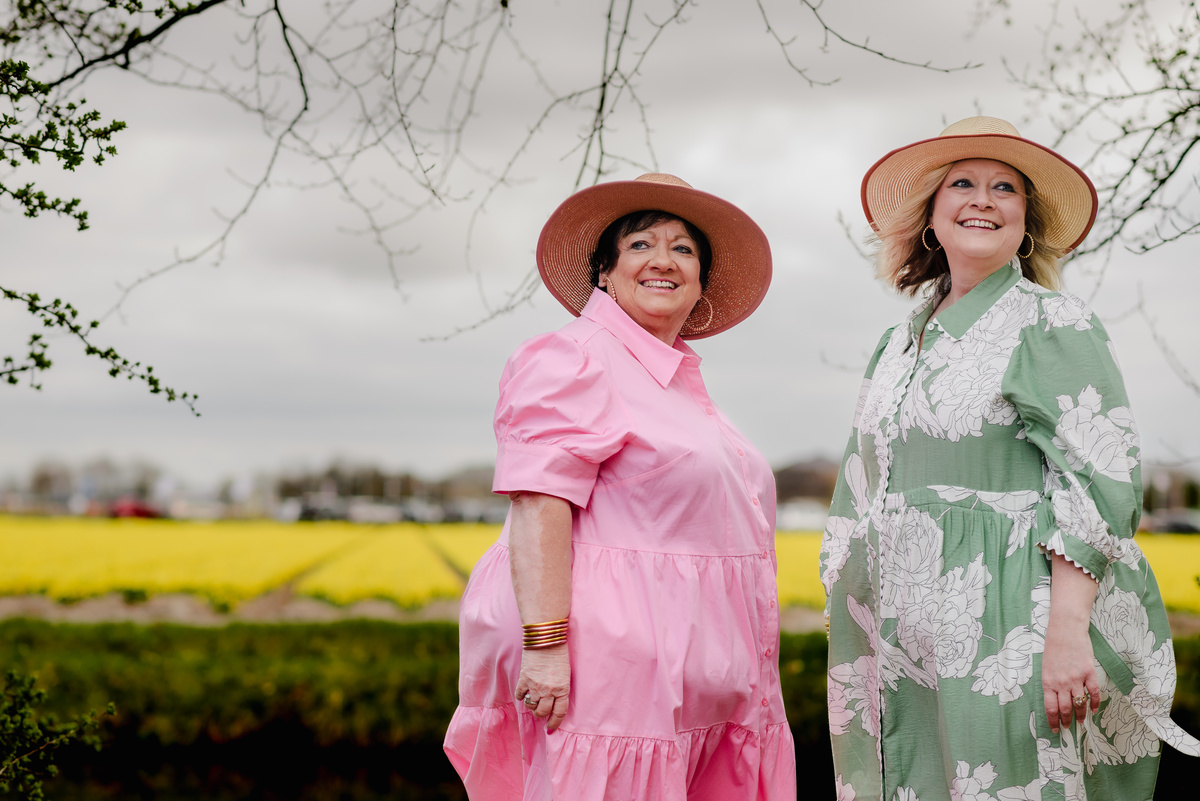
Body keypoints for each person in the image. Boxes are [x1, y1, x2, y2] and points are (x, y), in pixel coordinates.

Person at [821, 116, 1200, 801]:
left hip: (1007, 623)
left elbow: (1096, 485)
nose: (983, 199)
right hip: (901, 635)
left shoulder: (1054, 324)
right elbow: (862, 481)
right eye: (962, 183)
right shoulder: (897, 342)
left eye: (1006, 189)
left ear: (1026, 222)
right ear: (930, 218)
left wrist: (1065, 634)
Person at [444, 173, 796, 800]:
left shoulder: (679, 382)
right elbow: (538, 505)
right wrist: (546, 648)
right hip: (609, 676)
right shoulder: (574, 357)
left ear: (701, 282)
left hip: (690, 684)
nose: (664, 259)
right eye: (641, 244)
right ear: (603, 273)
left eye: (684, 249)